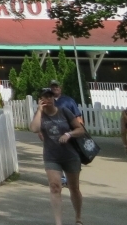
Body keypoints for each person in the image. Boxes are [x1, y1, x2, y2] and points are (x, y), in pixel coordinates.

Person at [29, 87, 86, 225]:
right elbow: (34, 129)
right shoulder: (40, 115)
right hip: (51, 156)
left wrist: (68, 134)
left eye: (50, 96)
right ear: (40, 100)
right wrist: (39, 111)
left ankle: (78, 218)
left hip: (70, 155)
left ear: (54, 98)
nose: (47, 99)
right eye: (44, 97)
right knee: (55, 187)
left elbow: (80, 129)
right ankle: (58, 222)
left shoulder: (64, 112)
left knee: (74, 187)